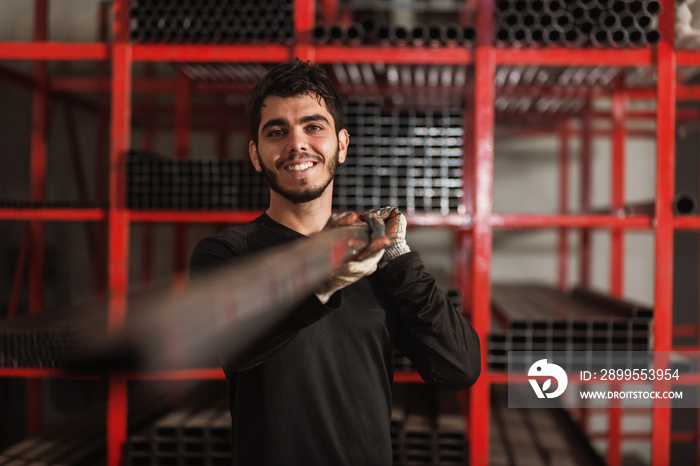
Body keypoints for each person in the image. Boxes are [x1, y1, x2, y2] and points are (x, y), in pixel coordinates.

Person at [189, 58, 480, 465]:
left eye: (313, 126)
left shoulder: (373, 257)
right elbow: (236, 347)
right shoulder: (227, 254)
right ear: (255, 155)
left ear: (342, 145)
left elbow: (459, 367)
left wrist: (399, 260)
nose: (297, 144)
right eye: (277, 132)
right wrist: (324, 282)